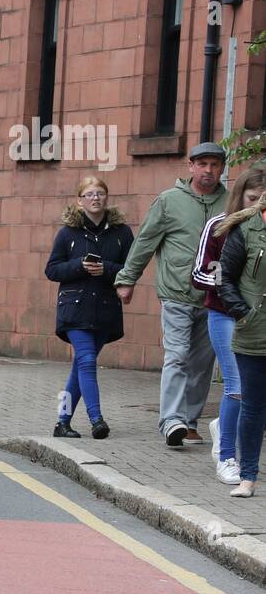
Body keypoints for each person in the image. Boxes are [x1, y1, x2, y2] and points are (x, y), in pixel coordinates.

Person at [115, 143, 228, 446]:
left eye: (214, 164)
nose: (208, 170)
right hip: (176, 293)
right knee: (177, 356)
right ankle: (171, 421)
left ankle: (189, 422)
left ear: (222, 168)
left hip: (214, 298)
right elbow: (145, 242)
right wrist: (127, 279)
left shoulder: (231, 204)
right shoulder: (169, 201)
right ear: (190, 166)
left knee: (202, 363)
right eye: (202, 164)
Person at [44, 176, 134, 440]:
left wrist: (106, 269)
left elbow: (131, 268)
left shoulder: (121, 233)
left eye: (100, 194)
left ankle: (62, 421)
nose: (95, 198)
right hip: (75, 309)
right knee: (86, 361)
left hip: (105, 309)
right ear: (79, 201)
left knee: (79, 369)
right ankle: (96, 419)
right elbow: (51, 269)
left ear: (106, 198)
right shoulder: (68, 233)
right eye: (89, 194)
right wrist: (78, 266)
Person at [195, 168, 266, 484]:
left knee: (252, 392)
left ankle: (224, 424)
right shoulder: (219, 226)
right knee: (237, 385)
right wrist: (230, 284)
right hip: (225, 314)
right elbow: (199, 274)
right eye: (252, 198)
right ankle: (227, 457)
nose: (257, 205)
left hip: (255, 318)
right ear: (241, 196)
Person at [212, 183, 266, 498]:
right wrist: (242, 314)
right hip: (255, 330)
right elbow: (223, 277)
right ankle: (247, 476)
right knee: (253, 406)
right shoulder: (245, 229)